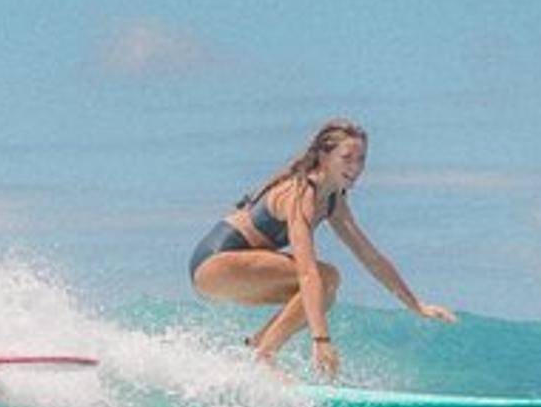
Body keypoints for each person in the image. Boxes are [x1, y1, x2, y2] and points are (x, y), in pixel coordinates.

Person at [189, 118, 456, 377]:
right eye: (347, 158)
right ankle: (263, 356)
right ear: (324, 157)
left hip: (230, 273)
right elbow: (307, 272)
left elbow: (370, 257)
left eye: (361, 159)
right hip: (215, 263)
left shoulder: (333, 201)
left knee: (325, 292)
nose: (356, 166)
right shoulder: (301, 192)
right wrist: (321, 339)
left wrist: (416, 304)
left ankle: (256, 347)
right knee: (324, 279)